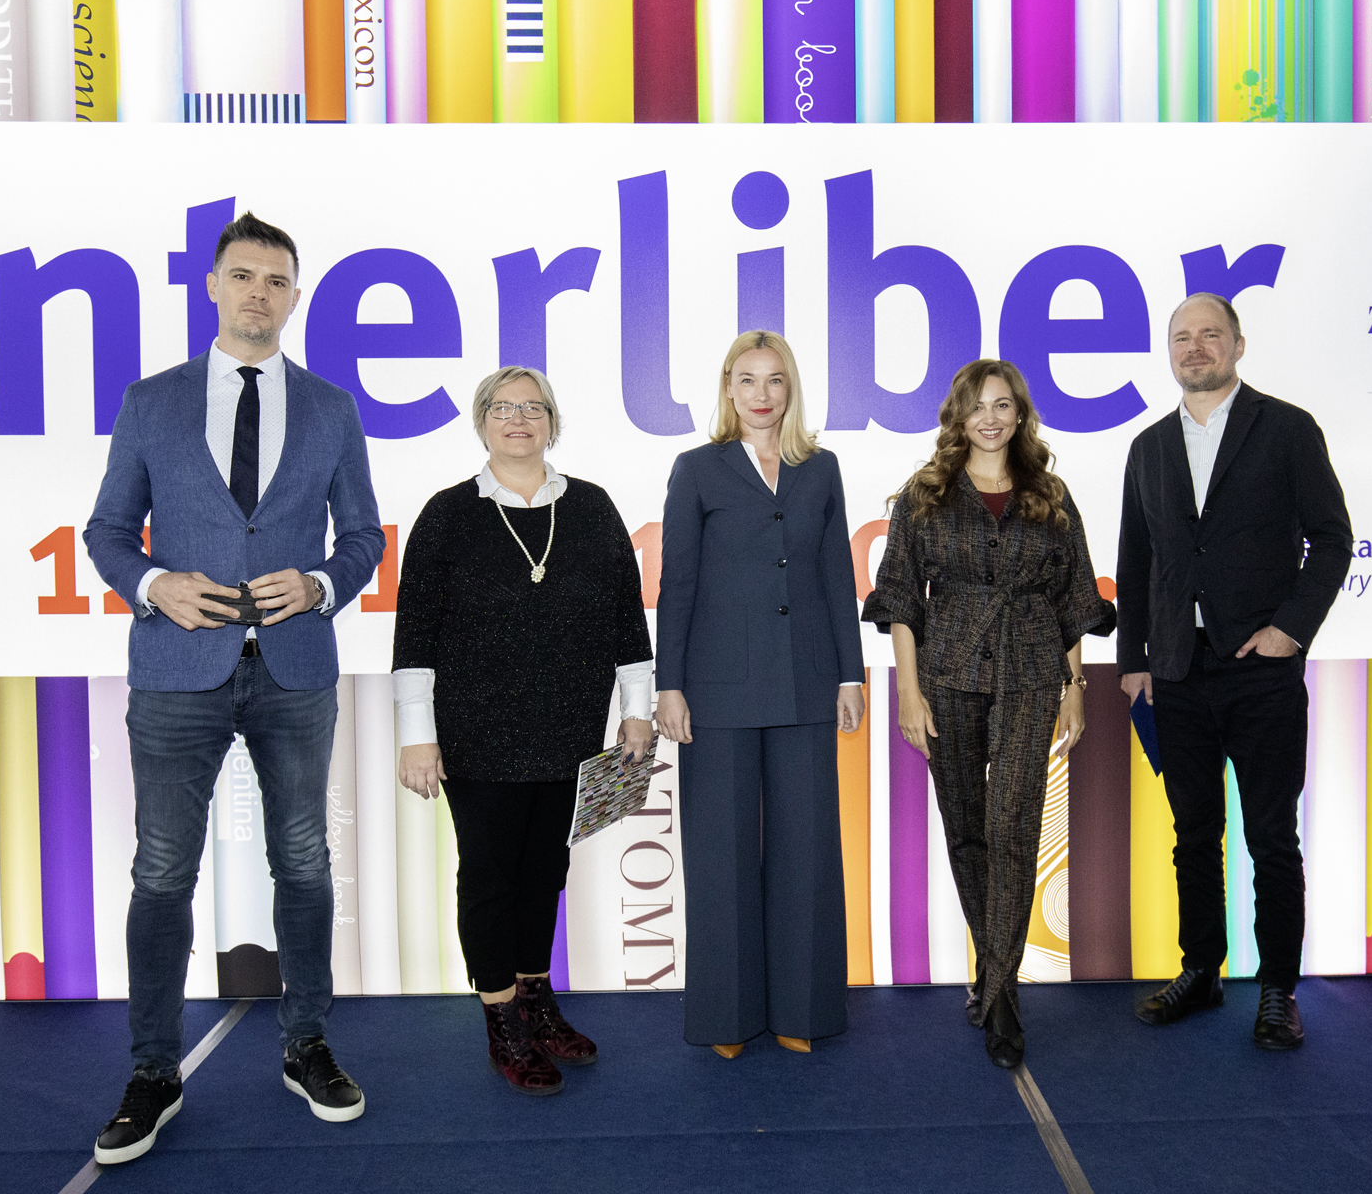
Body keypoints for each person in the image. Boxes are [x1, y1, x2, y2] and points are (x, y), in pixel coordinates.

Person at [84, 212, 385, 1163]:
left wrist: (322, 585)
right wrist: (153, 585)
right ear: (212, 285)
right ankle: (153, 1069)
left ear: (295, 297)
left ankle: (307, 1044)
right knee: (161, 871)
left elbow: (363, 538)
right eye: (243, 275)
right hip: (178, 672)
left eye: (277, 280)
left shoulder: (331, 407)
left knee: (303, 861)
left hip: (295, 669)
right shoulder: (151, 401)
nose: (260, 292)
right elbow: (106, 531)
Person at [391, 366, 655, 1096]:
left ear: (552, 422)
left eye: (533, 407)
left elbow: (625, 617)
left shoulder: (592, 507)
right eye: (502, 407)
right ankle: (501, 1017)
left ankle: (537, 1001)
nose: (518, 418)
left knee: (545, 872)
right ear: (482, 421)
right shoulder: (447, 514)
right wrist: (417, 734)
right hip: (476, 736)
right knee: (489, 877)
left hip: (571, 728)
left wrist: (637, 708)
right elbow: (415, 632)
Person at [1117, 292, 1352, 1051]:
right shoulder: (1149, 447)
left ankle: (1279, 989)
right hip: (1176, 673)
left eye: (1210, 334)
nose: (1195, 348)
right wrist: (1134, 662)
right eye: (1181, 338)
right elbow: (1136, 562)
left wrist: (1291, 630)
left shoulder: (1287, 429)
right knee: (1194, 835)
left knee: (1272, 838)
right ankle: (1202, 970)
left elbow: (1332, 539)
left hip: (1261, 671)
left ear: (1238, 345)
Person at [863, 359, 1114, 1069]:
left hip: (1033, 672)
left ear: (1020, 413)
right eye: (978, 406)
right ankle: (994, 968)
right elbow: (901, 598)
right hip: (947, 672)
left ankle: (1000, 993)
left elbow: (1074, 596)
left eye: (1003, 405)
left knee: (1014, 827)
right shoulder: (926, 494)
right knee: (967, 829)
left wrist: (1075, 685)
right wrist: (908, 692)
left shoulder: (1050, 495)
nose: (991, 418)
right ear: (958, 416)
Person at [654, 330, 865, 1059]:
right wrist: (669, 685)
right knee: (722, 858)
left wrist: (849, 674)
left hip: (808, 683)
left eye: (774, 380)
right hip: (716, 692)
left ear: (790, 388)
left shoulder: (821, 468)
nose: (761, 394)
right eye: (747, 379)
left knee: (808, 853)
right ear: (728, 389)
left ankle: (803, 1010)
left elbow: (836, 576)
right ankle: (728, 1018)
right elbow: (678, 583)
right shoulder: (697, 469)